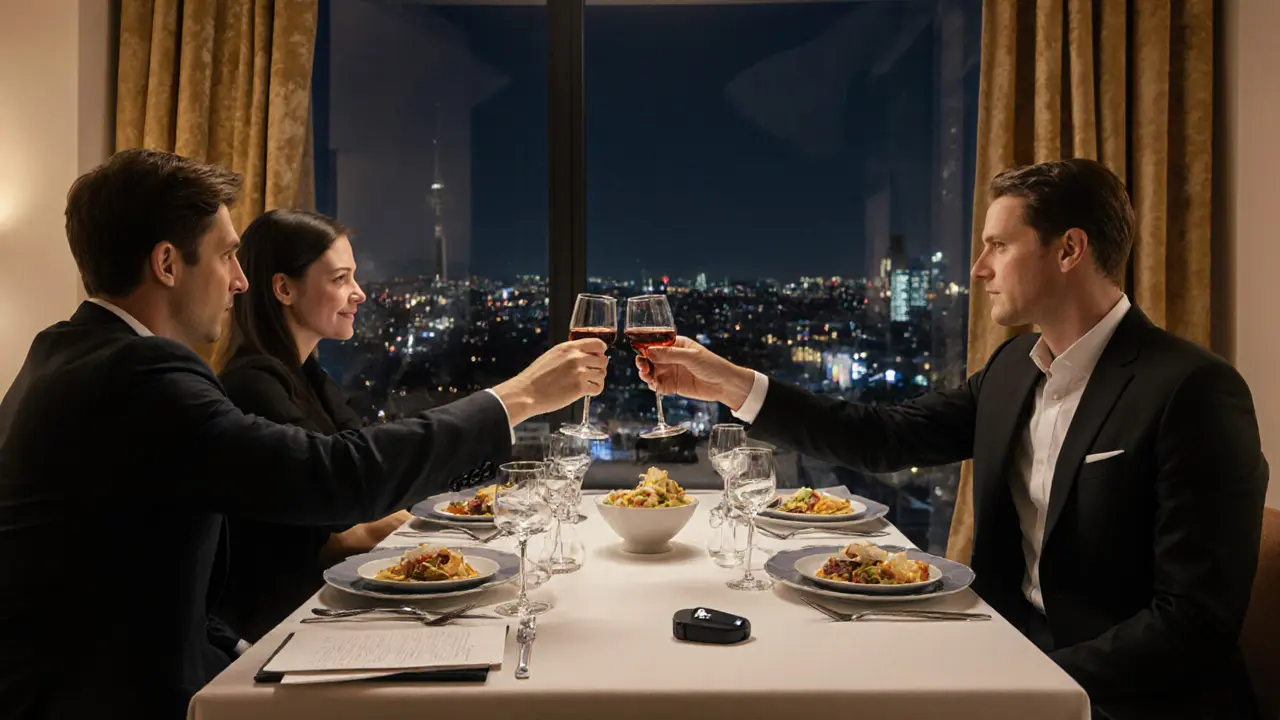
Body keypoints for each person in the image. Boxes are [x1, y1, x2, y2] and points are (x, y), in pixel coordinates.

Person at [639, 158, 1268, 720]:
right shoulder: (1014, 367)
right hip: (1006, 650)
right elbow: (885, 438)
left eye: (998, 244)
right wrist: (730, 383)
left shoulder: (1193, 391)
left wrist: (1023, 681)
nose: (979, 269)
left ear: (1069, 249)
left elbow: (1193, 624)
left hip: (1127, 698)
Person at [0, 148, 607, 719]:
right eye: (225, 256)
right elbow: (334, 476)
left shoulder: (62, 353)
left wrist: (242, 657)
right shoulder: (140, 374)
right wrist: (519, 396)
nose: (240, 281)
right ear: (166, 264)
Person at [212, 208, 479, 640]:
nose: (358, 293)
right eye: (340, 279)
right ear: (283, 288)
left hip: (325, 605)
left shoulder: (309, 376)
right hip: (284, 626)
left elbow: (373, 477)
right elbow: (344, 529)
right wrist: (455, 547)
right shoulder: (253, 386)